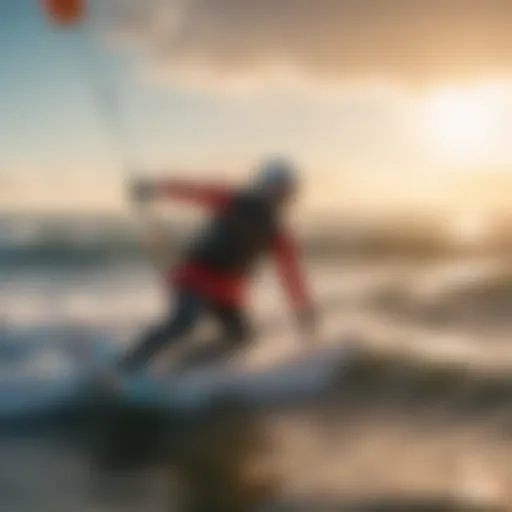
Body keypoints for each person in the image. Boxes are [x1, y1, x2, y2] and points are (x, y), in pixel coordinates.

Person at [118, 156, 317, 374]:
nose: (280, 194)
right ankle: (127, 365)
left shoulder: (277, 233)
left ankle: (185, 368)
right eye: (278, 188)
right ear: (265, 184)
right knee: (184, 321)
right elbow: (193, 191)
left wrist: (302, 309)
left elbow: (291, 274)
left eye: (285, 191)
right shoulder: (233, 200)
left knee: (242, 338)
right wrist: (153, 188)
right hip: (195, 277)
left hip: (227, 291)